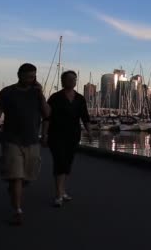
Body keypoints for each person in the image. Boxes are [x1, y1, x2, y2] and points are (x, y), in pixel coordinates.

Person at [0, 63, 50, 226]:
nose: (30, 79)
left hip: (32, 141)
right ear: (19, 75)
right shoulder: (7, 93)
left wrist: (40, 94)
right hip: (12, 140)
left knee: (26, 177)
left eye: (33, 76)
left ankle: (14, 187)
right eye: (27, 76)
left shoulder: (36, 93)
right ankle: (17, 210)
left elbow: (47, 113)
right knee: (16, 176)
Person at [42, 70, 90, 207]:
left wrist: (90, 132)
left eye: (74, 79)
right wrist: (44, 134)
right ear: (63, 81)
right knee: (60, 161)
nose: (72, 81)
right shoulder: (55, 97)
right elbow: (47, 118)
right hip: (56, 135)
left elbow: (85, 117)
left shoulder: (80, 98)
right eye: (69, 79)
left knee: (67, 162)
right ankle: (58, 195)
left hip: (73, 135)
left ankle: (62, 191)